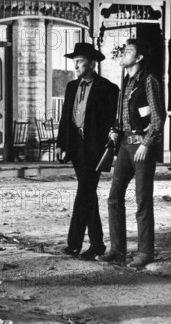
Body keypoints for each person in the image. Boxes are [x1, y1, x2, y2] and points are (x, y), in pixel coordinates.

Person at [99, 39, 165, 268]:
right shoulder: (126, 82)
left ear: (139, 58)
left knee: (142, 201)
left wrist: (147, 144)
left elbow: (158, 118)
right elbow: (124, 117)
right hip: (126, 145)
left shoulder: (149, 80)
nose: (123, 54)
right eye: (123, 51)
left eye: (129, 51)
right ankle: (117, 250)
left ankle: (145, 253)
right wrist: (114, 131)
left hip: (142, 147)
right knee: (114, 197)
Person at [56, 43, 119, 261]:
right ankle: (95, 244)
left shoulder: (108, 88)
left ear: (92, 64)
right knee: (87, 194)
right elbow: (65, 118)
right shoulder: (72, 86)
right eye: (74, 61)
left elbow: (113, 121)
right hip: (76, 147)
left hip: (95, 149)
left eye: (80, 61)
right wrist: (60, 144)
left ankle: (78, 243)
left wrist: (111, 146)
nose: (75, 65)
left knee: (85, 191)